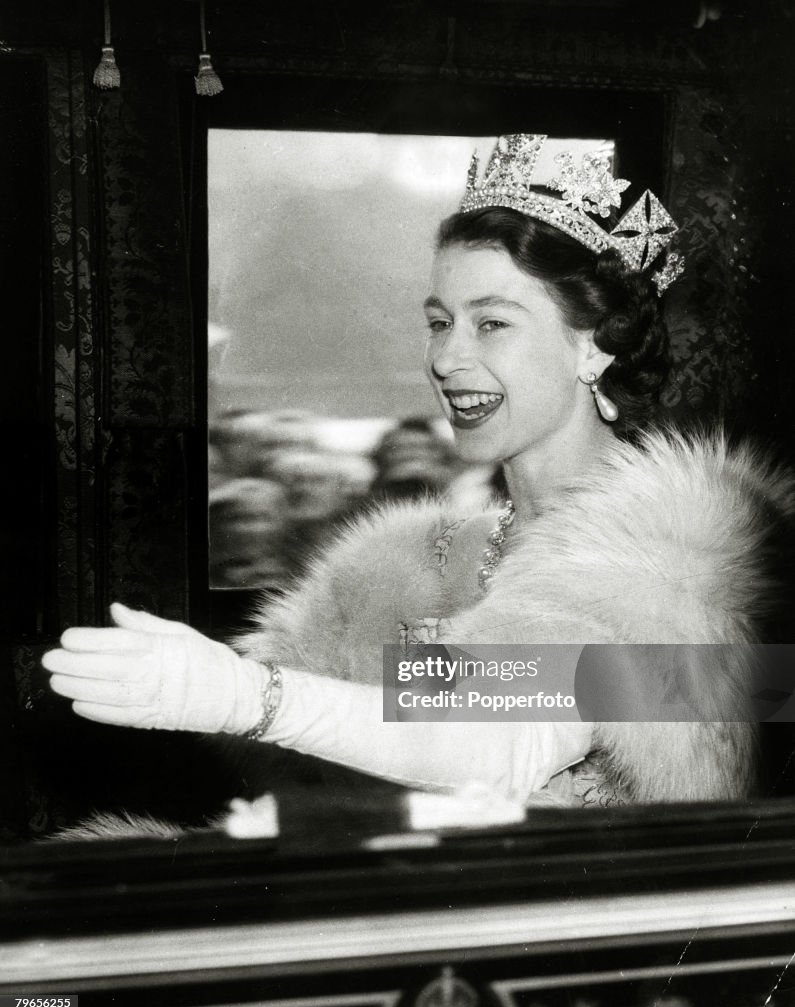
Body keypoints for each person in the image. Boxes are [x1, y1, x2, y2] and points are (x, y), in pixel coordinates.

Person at [42, 135, 795, 822]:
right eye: (439, 322)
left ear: (593, 347)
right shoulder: (415, 562)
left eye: (490, 322)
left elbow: (500, 747)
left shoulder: (697, 554)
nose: (443, 359)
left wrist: (247, 698)